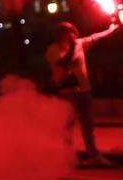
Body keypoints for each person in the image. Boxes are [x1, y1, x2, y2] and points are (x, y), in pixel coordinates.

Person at [46, 21, 118, 166]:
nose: (72, 34)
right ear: (60, 34)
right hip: (67, 94)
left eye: (73, 31)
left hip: (85, 90)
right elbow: (64, 64)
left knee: (88, 125)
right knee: (67, 126)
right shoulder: (53, 50)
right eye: (68, 31)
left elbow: (95, 37)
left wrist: (112, 29)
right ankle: (67, 156)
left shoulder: (79, 44)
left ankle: (94, 156)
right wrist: (72, 47)